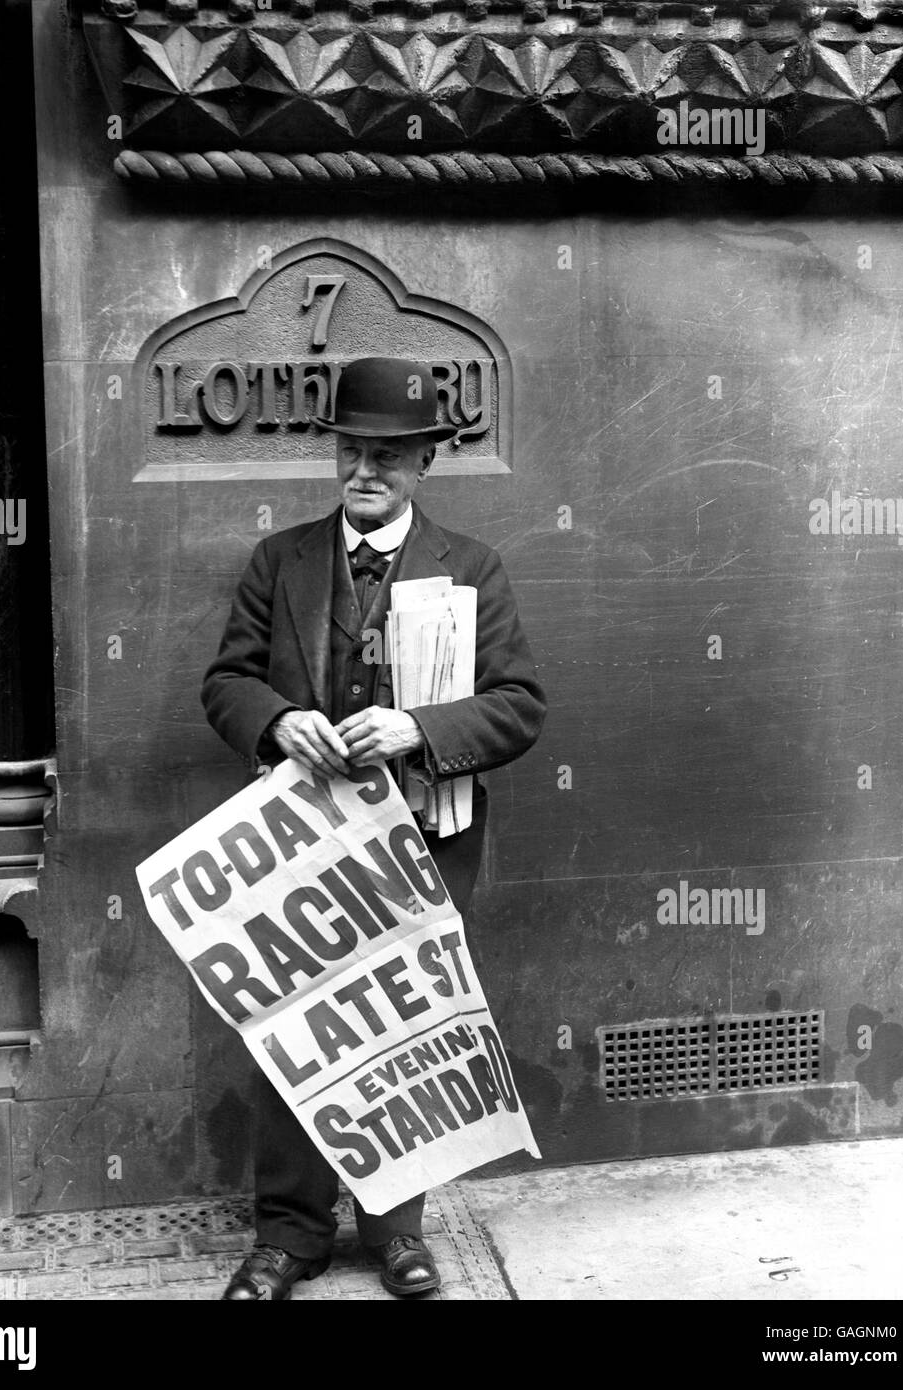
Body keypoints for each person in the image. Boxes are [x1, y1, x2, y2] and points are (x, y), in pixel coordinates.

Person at [201, 356, 546, 1300]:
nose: (366, 471)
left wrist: (419, 729)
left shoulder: (471, 568)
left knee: (407, 1025)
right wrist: (277, 721)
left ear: (425, 463)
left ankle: (397, 1231)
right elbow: (226, 683)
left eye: (389, 457)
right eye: (353, 451)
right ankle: (290, 1238)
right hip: (303, 839)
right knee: (294, 1026)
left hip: (421, 842)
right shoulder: (281, 560)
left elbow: (520, 707)